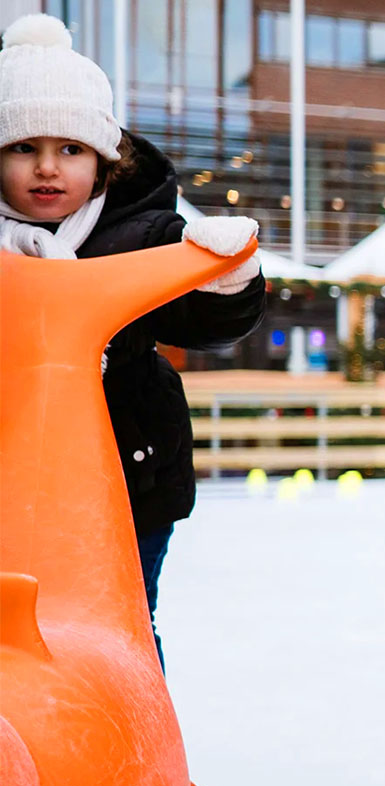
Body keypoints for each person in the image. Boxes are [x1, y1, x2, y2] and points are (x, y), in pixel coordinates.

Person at [0, 14, 266, 669]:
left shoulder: (141, 232)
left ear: (104, 157)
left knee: (124, 627)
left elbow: (205, 322)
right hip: (11, 476)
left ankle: (140, 760)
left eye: (71, 149)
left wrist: (224, 276)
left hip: (126, 475)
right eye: (21, 147)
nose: (46, 168)